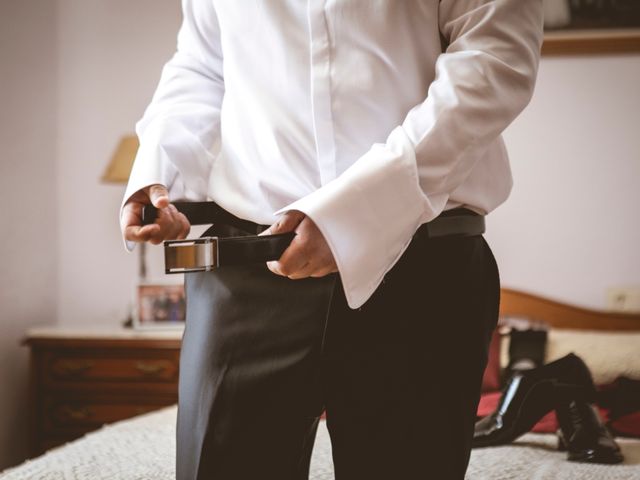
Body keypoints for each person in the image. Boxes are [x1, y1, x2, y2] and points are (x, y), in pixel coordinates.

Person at [120, 2, 543, 479]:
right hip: (246, 271)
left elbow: (492, 64)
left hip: (422, 269)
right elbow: (202, 65)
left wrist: (357, 213)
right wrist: (160, 169)